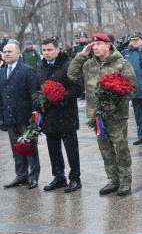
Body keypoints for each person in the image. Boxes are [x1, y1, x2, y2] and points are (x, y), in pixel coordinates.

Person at [68, 33, 137, 196]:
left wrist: (114, 103)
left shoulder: (122, 64)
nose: (96, 47)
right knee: (105, 149)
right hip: (97, 117)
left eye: (99, 44)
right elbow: (71, 74)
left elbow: (133, 89)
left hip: (116, 116)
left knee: (121, 149)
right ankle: (112, 180)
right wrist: (82, 55)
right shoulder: (89, 64)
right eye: (94, 45)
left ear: (108, 45)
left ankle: (125, 181)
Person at [38, 37, 83, 193]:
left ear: (57, 49)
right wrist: (41, 100)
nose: (46, 53)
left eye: (49, 49)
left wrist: (60, 98)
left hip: (66, 114)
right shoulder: (42, 66)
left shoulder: (68, 65)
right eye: (44, 50)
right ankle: (59, 177)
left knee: (71, 149)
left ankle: (75, 178)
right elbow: (40, 89)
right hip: (49, 116)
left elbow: (77, 88)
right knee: (53, 149)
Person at [0, 41, 40, 189]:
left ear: (18, 54)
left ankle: (33, 177)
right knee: (16, 149)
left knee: (29, 148)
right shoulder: (2, 72)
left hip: (26, 118)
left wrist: (34, 115)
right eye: (4, 52)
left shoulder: (27, 70)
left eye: (10, 51)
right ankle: (21, 176)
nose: (6, 54)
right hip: (10, 118)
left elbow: (34, 93)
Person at [122, 31, 142, 146]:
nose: (134, 42)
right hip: (133, 89)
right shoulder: (126, 54)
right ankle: (141, 135)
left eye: (137, 40)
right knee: (138, 115)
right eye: (132, 40)